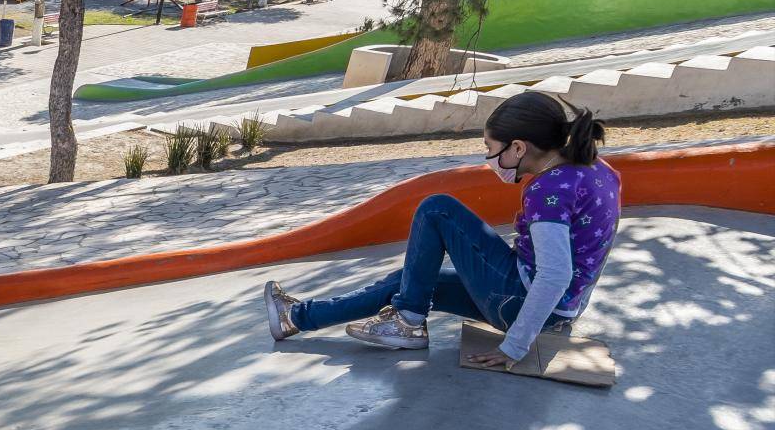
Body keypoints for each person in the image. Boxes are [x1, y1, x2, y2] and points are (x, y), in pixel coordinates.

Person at [263, 91, 618, 368]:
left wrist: (514, 347)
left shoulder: (548, 190)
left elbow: (555, 275)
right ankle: (295, 318)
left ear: (519, 147)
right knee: (409, 281)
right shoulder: (598, 170)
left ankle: (408, 321)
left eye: (491, 150)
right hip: (556, 311)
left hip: (521, 303)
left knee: (438, 209)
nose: (489, 160)